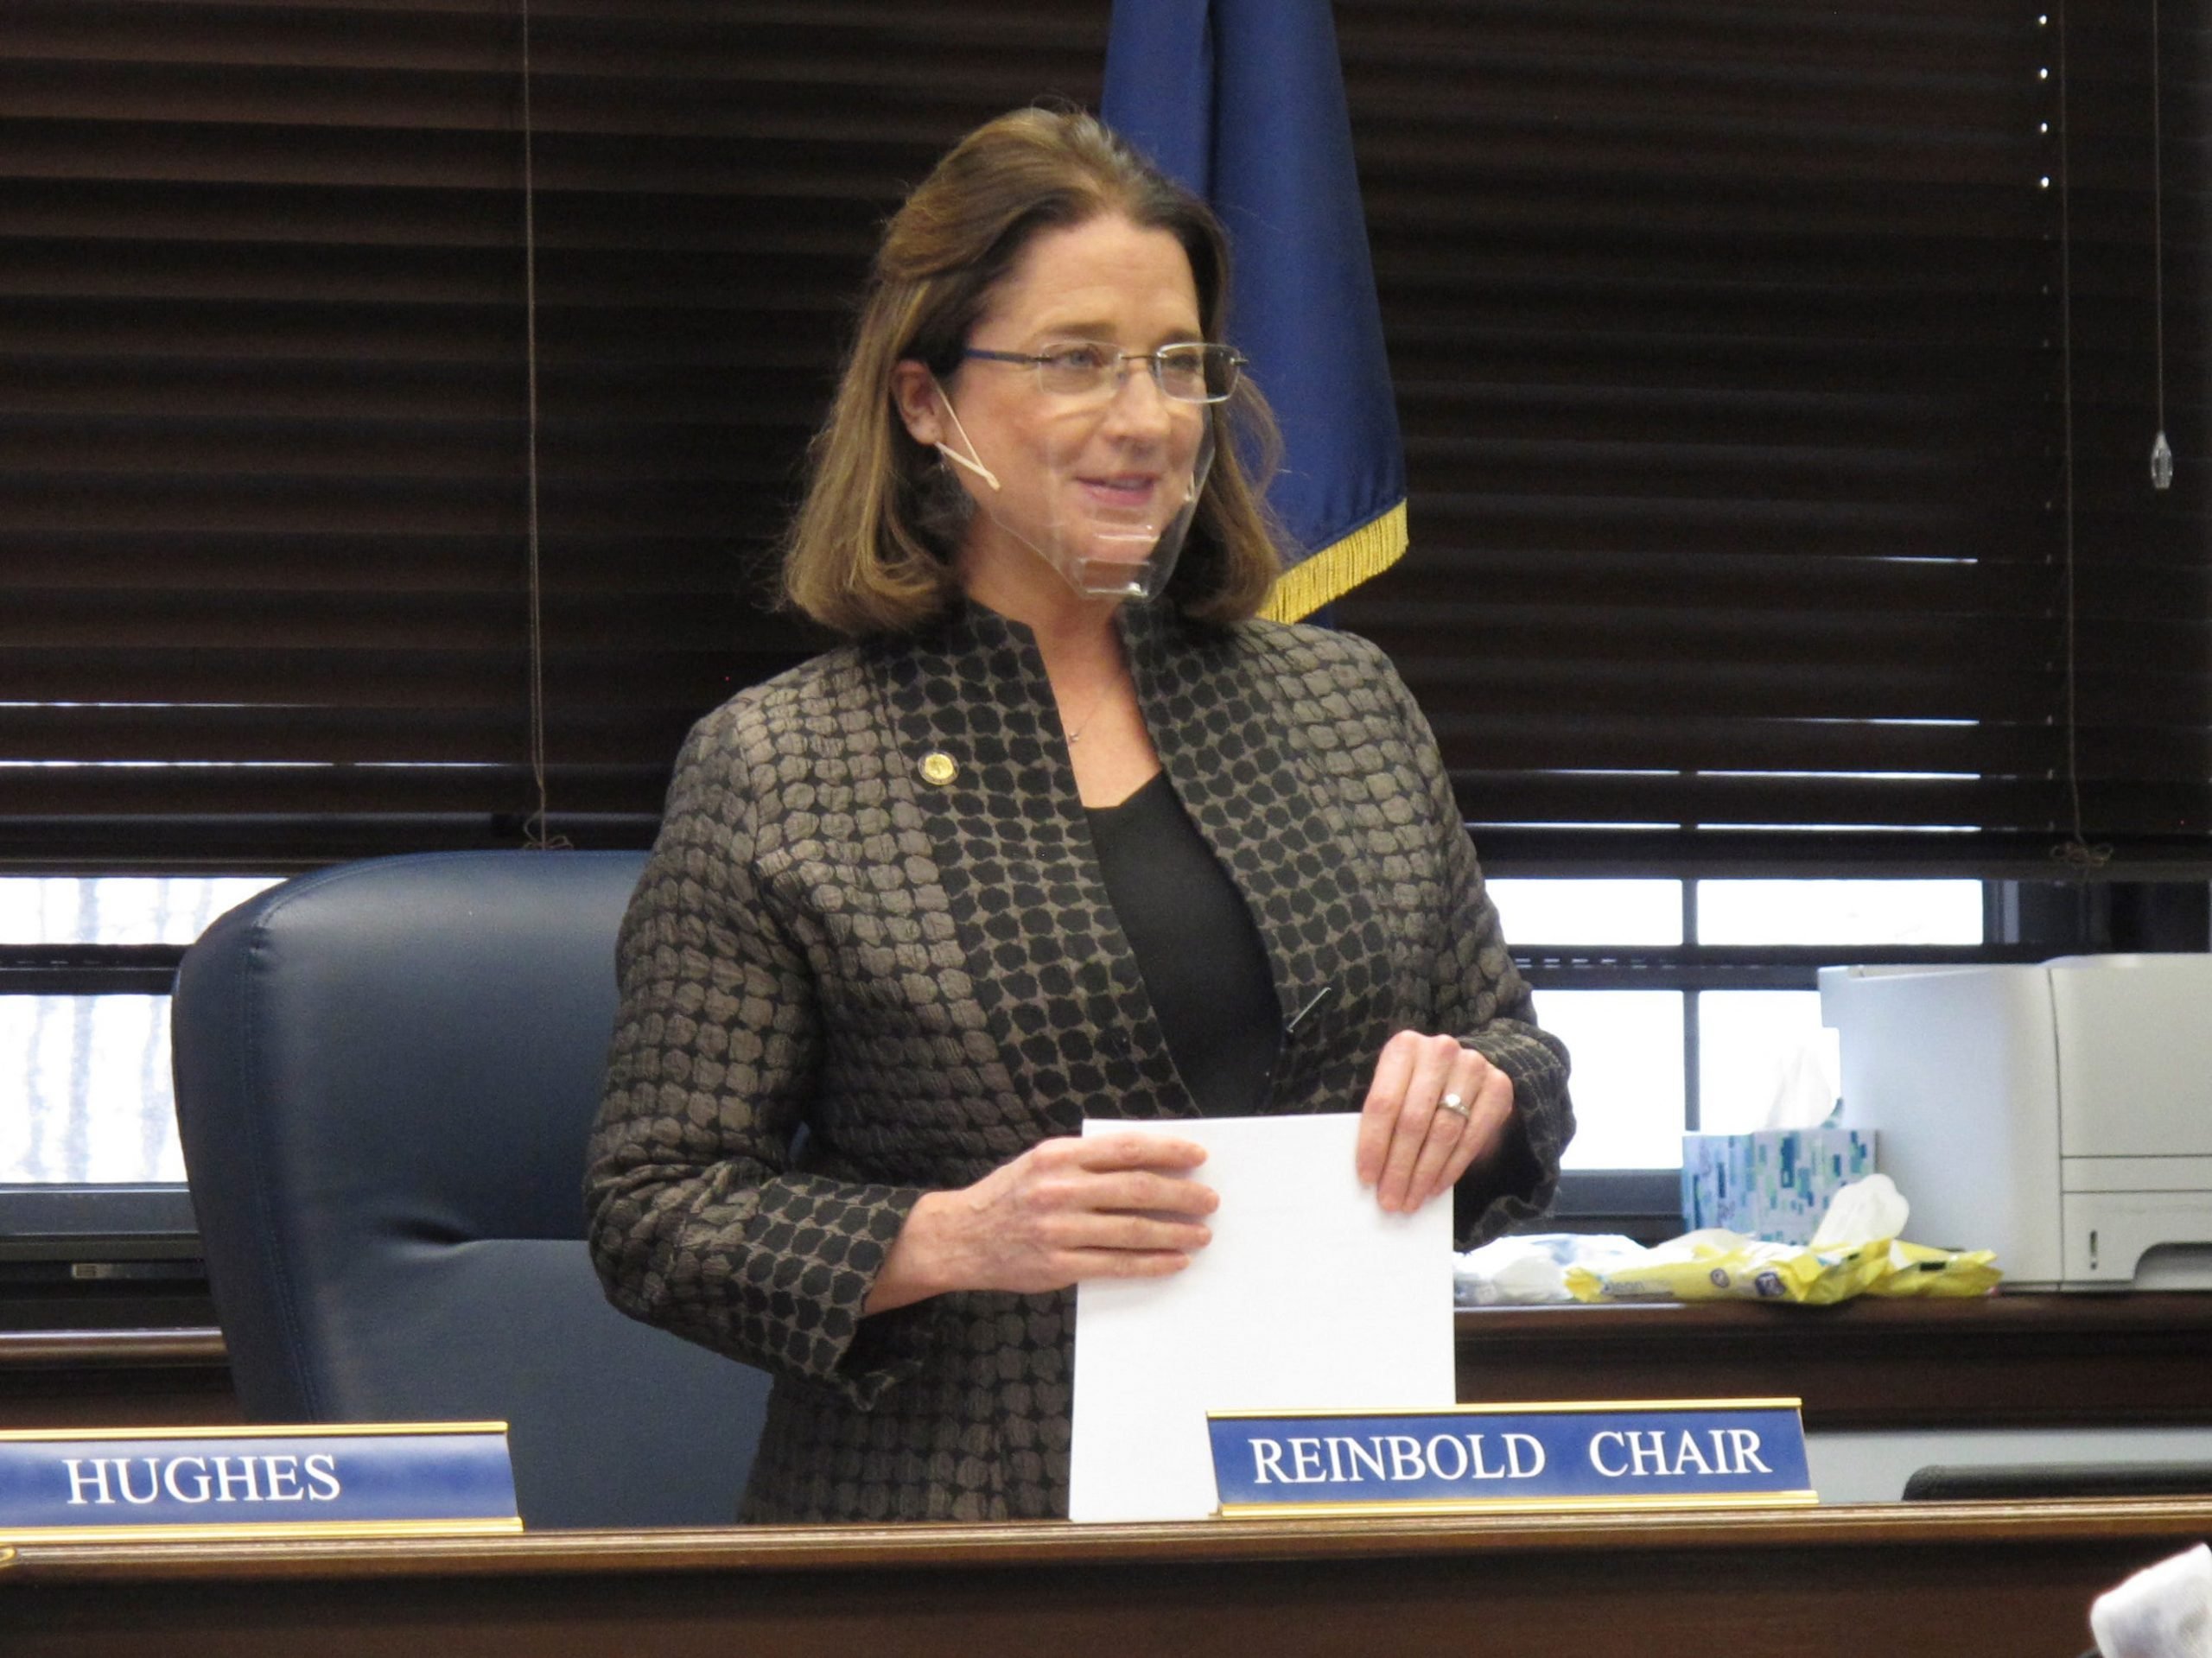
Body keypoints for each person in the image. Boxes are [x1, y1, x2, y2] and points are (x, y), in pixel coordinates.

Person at [584, 106, 1572, 1524]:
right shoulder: (782, 761)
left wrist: (1479, 1099)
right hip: (958, 1528)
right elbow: (655, 1211)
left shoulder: (1346, 702)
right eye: (1075, 362)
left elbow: (1513, 1049)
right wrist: (951, 1235)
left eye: (1180, 365)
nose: (1145, 420)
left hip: (1333, 1503)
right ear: (927, 404)